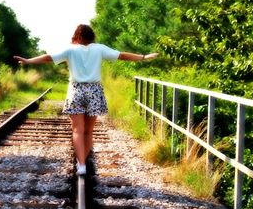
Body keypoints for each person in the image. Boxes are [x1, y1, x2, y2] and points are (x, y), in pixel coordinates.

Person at [13, 24, 158, 175]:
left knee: (77, 130)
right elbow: (121, 55)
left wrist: (28, 61)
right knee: (88, 131)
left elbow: (48, 57)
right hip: (94, 91)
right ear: (92, 36)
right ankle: (83, 161)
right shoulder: (99, 48)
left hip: (76, 90)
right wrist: (143, 57)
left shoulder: (70, 49)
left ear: (77, 36)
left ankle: (81, 165)